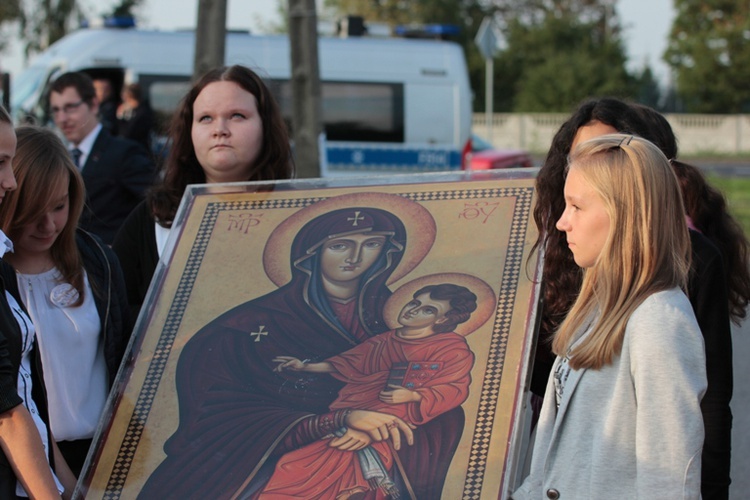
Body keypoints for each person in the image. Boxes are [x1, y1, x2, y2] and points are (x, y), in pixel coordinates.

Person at [138, 204, 463, 499]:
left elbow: (436, 390)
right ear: (311, 253)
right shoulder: (244, 327)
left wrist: (388, 419)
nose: (356, 258)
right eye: (340, 245)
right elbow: (214, 413)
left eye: (372, 245)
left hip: (378, 446)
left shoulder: (397, 320)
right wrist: (335, 419)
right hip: (265, 456)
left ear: (388, 253)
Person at [531, 97, 734, 499]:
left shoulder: (658, 320)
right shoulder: (593, 307)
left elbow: (668, 476)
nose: (560, 220)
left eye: (576, 206)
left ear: (624, 210)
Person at [112, 64, 294, 325]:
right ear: (189, 130)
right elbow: (114, 311)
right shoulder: (153, 219)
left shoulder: (298, 215)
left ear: (265, 127)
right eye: (206, 118)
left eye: (237, 116)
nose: (220, 129)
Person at [0, 126, 131, 477]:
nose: (48, 224)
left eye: (59, 206)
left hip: (104, 452)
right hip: (23, 464)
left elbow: (125, 357)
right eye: (32, 211)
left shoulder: (98, 260)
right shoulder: (2, 274)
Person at [267, 283, 477, 498]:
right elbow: (349, 362)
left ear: (442, 319)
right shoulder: (384, 340)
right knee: (296, 464)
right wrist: (305, 366)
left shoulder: (451, 347)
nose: (413, 310)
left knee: (316, 464)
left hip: (394, 422)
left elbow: (454, 388)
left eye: (428, 310)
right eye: (415, 303)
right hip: (355, 412)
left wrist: (414, 396)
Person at [0, 105, 76, 498]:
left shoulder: (96, 263)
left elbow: (28, 401)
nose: (9, 182)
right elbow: (9, 413)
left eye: (59, 207)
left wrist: (66, 485)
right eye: (0, 163)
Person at [49, 71, 155, 244]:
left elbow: (157, 204)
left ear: (93, 105)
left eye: (70, 108)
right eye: (56, 110)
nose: (62, 118)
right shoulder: (57, 159)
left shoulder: (124, 153)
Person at [116, 83, 154, 154]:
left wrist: (120, 117)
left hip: (139, 151)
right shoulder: (136, 111)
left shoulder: (142, 113)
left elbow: (127, 133)